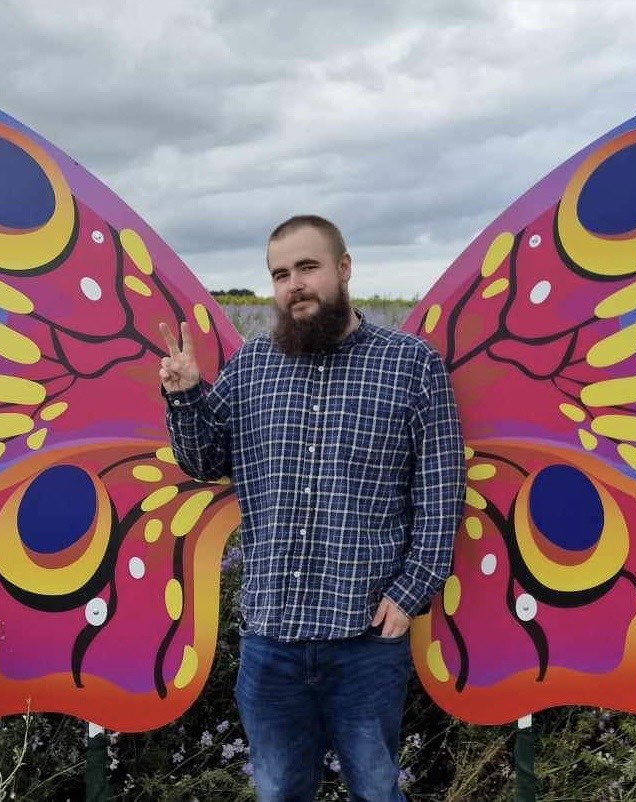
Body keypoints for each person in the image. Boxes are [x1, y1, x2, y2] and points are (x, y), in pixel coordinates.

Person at [158, 215, 465, 802]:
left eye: (307, 267)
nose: (294, 284)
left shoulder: (411, 366)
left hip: (365, 640)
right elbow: (204, 460)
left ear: (343, 269)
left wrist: (409, 594)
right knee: (278, 792)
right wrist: (186, 394)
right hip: (271, 639)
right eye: (280, 274)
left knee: (377, 790)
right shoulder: (251, 366)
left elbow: (441, 493)